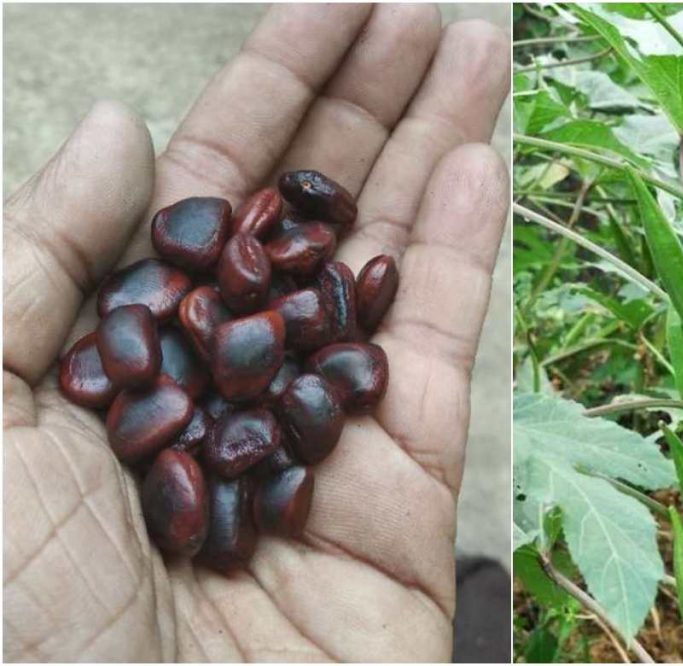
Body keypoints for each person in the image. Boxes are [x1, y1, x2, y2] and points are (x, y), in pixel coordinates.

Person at [3, 4, 510, 661]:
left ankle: (484, 583)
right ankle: (485, 583)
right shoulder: (198, 361)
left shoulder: (253, 345)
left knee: (486, 595)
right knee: (487, 599)